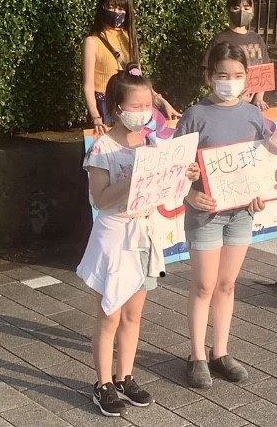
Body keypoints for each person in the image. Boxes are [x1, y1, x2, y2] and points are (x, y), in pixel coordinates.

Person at [78, 65, 200, 416]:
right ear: (117, 108)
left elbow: (168, 192)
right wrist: (132, 179)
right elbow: (99, 199)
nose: (145, 111)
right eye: (137, 105)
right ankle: (102, 383)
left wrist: (184, 174)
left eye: (149, 103)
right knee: (109, 314)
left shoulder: (151, 143)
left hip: (146, 236)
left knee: (133, 314)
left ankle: (124, 376)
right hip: (116, 237)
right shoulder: (103, 148)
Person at [175, 42, 268, 389]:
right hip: (206, 214)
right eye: (223, 74)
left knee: (227, 285)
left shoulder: (253, 116)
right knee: (203, 285)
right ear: (209, 76)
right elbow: (171, 169)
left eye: (238, 75)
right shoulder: (194, 116)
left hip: (241, 213)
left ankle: (221, 352)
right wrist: (190, 194)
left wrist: (261, 194)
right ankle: (197, 355)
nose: (230, 81)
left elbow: (263, 165)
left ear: (247, 77)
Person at [81, 0, 179, 136]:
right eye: (111, 6)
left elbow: (137, 78)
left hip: (129, 107)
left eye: (121, 8)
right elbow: (88, 86)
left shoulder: (129, 38)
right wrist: (96, 117)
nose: (116, 12)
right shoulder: (92, 42)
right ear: (102, 7)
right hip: (104, 108)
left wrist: (161, 101)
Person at [202, 0, 271, 112]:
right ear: (228, 9)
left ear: (253, 10)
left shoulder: (257, 39)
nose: (242, 11)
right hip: (227, 106)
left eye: (246, 7)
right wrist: (233, 98)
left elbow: (265, 71)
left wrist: (259, 98)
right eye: (236, 7)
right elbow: (208, 76)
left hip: (255, 106)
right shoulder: (219, 40)